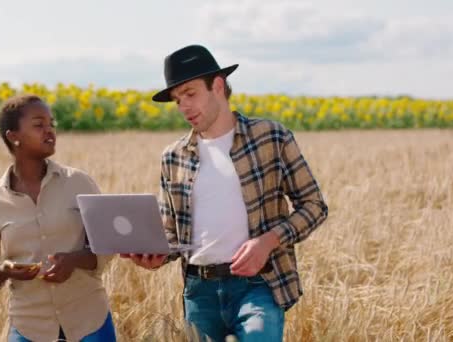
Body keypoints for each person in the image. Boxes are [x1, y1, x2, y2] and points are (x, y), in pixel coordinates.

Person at [121, 44, 328, 341]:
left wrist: (268, 242)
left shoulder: (271, 136)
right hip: (198, 292)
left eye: (190, 94)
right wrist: (154, 255)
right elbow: (173, 234)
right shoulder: (173, 157)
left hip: (258, 284)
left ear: (217, 86)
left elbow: (314, 206)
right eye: (178, 100)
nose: (184, 107)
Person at [0, 94, 116, 342]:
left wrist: (74, 260)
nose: (50, 131)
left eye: (52, 124)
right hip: (29, 326)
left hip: (89, 321)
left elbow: (106, 244)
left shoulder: (79, 182)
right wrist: (3, 271)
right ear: (13, 136)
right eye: (39, 125)